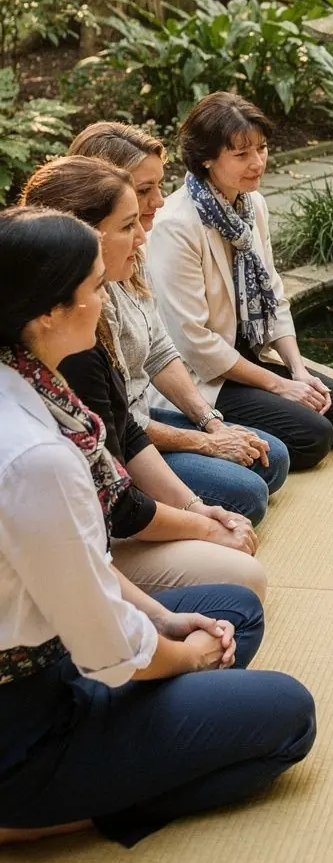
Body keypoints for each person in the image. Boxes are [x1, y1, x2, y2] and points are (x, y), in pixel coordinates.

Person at [0, 206, 315, 847]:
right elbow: (109, 652)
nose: (104, 295)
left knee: (231, 610)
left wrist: (168, 622)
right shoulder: (34, 457)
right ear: (46, 313)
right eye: (93, 286)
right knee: (288, 715)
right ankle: (36, 816)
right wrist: (184, 654)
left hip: (53, 654)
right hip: (27, 725)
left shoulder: (30, 384)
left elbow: (83, 572)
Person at [21, 157, 266, 596]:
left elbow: (125, 430)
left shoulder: (80, 325)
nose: (144, 233)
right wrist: (203, 523)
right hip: (74, 556)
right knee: (241, 582)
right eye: (130, 222)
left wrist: (198, 508)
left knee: (271, 467)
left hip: (101, 523)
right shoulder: (65, 355)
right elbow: (114, 509)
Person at [68, 121, 289, 524]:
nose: (160, 202)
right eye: (144, 191)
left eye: (158, 186)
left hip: (140, 423)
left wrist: (209, 422)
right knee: (249, 495)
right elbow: (118, 424)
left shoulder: (132, 250)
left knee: (273, 457)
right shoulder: (84, 298)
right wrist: (205, 444)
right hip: (122, 439)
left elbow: (159, 350)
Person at [147, 92, 333, 471]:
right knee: (314, 436)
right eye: (241, 154)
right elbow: (194, 343)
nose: (258, 163)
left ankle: (272, 417)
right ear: (206, 158)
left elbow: (275, 296)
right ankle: (219, 440)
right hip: (204, 376)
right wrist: (279, 385)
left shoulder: (252, 205)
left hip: (248, 358)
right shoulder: (175, 225)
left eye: (262, 148)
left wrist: (298, 371)